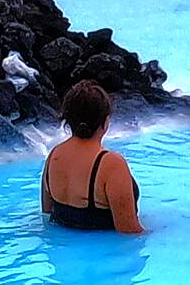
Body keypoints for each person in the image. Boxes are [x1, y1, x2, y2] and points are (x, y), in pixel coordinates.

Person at [41, 80, 143, 234]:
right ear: (106, 122)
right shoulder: (111, 164)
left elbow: (47, 214)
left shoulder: (54, 156)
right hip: (106, 254)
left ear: (68, 120)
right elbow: (129, 232)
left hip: (62, 254)